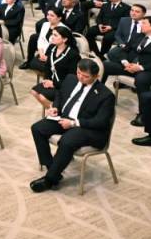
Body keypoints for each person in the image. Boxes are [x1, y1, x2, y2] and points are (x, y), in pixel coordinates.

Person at [29, 59, 116, 192]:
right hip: (65, 118)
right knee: (37, 128)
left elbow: (101, 122)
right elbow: (60, 94)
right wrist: (55, 107)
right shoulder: (71, 79)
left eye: (85, 76)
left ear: (96, 76)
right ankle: (52, 167)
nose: (80, 77)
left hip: (87, 128)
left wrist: (74, 123)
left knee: (67, 141)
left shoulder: (106, 95)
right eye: (79, 73)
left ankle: (50, 179)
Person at [102, 15, 151, 123]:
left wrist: (141, 67)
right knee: (104, 66)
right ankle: (98, 95)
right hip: (130, 66)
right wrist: (125, 62)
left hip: (150, 71)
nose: (141, 25)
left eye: (144, 23)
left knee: (142, 79)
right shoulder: (138, 37)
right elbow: (124, 50)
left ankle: (144, 114)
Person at [30, 26, 79, 109]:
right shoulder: (51, 47)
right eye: (52, 34)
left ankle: (54, 111)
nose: (52, 37)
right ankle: (53, 110)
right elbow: (47, 66)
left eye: (55, 35)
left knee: (42, 97)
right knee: (34, 91)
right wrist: (46, 79)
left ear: (64, 39)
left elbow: (72, 77)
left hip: (63, 86)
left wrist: (54, 84)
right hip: (51, 81)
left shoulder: (73, 55)